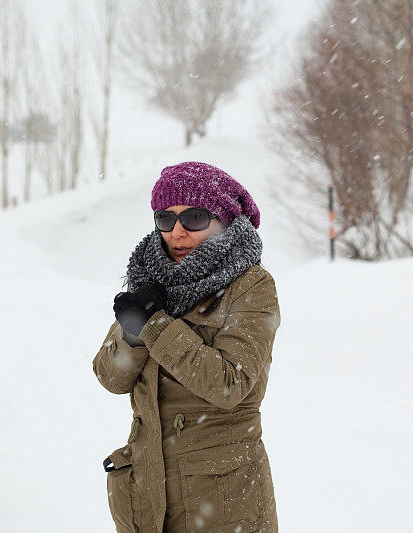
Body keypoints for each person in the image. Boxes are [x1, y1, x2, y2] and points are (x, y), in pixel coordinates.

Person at [92, 161, 281, 533]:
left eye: (194, 217)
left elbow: (231, 383)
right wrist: (132, 334)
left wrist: (156, 326)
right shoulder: (150, 279)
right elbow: (111, 378)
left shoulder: (251, 285)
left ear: (223, 220)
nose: (177, 232)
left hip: (223, 500)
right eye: (166, 219)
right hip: (149, 496)